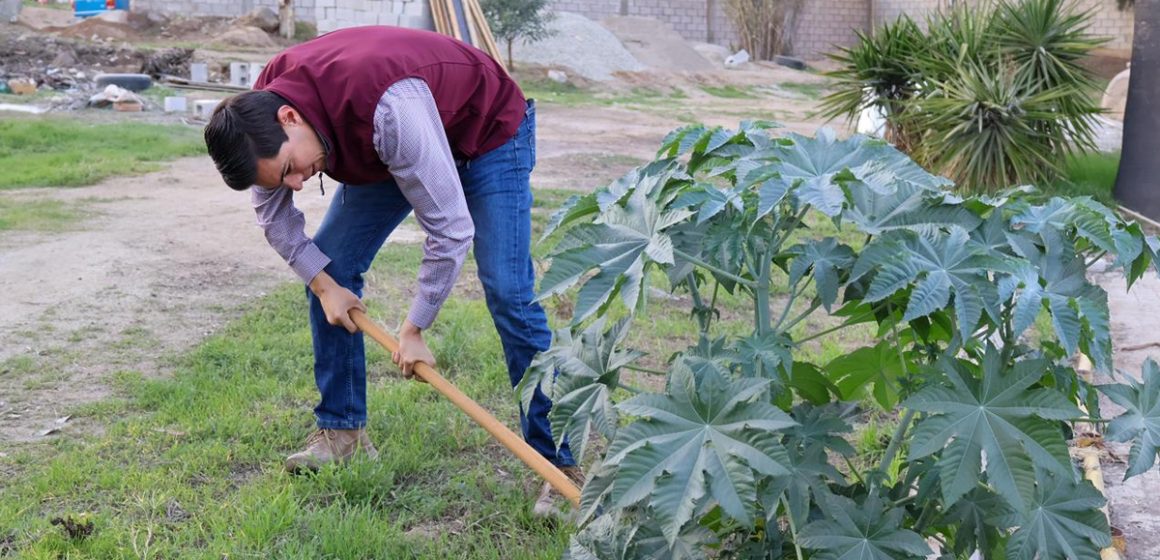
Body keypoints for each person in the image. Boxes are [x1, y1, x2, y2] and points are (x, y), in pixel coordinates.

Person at [202, 25, 579, 516]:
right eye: (283, 178)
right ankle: (343, 434)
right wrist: (323, 284)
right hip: (390, 144)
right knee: (330, 268)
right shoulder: (258, 120)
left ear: (290, 118)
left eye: (292, 167)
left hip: (486, 135)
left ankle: (559, 463)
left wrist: (414, 327)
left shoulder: (389, 109)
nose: (295, 184)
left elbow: (450, 229)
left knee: (508, 290)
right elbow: (276, 220)